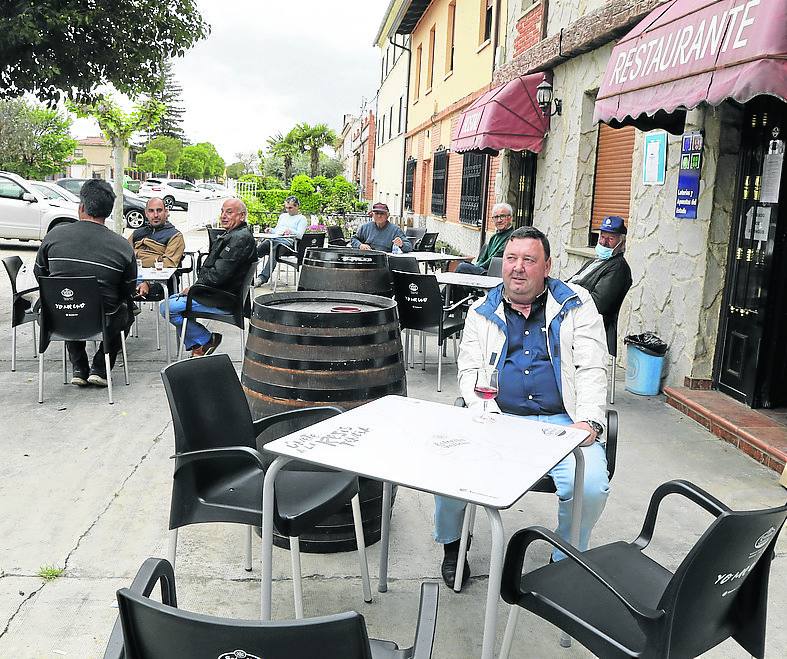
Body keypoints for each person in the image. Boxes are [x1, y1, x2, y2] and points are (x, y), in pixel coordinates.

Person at [435, 226, 609, 589]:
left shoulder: (577, 305)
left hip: (562, 421)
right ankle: (454, 544)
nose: (517, 268)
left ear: (547, 266)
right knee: (447, 469)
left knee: (590, 485)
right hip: (498, 418)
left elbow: (592, 366)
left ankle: (563, 556)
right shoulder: (482, 311)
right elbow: (468, 371)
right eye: (511, 259)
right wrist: (488, 413)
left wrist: (590, 420)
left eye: (528, 260)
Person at [34, 179, 136, 387]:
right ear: (108, 211)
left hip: (56, 317)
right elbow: (128, 289)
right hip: (103, 318)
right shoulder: (123, 246)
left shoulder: (54, 236)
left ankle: (79, 367)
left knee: (67, 302)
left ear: (81, 207)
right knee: (127, 311)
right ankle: (100, 367)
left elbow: (40, 274)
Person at [163, 198, 256, 357]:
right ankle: (199, 347)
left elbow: (218, 275)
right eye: (222, 211)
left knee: (167, 307)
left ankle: (206, 340)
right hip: (217, 294)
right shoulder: (235, 234)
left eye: (229, 212)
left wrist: (194, 289)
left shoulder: (240, 238)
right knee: (172, 300)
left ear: (242, 216)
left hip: (222, 299)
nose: (223, 216)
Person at [567, 215, 632, 334]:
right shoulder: (595, 261)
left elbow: (597, 304)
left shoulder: (618, 267)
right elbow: (571, 281)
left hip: (589, 328)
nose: (603, 242)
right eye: (602, 236)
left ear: (621, 242)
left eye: (610, 239)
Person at [129, 197, 185, 298]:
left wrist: (137, 254)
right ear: (146, 213)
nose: (155, 215)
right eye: (151, 211)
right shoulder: (137, 233)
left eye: (159, 210)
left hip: (162, 280)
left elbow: (168, 264)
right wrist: (157, 258)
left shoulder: (175, 236)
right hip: (134, 277)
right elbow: (125, 256)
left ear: (166, 212)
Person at [255, 195, 308, 285]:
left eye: (290, 208)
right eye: (286, 208)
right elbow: (277, 230)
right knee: (259, 248)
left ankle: (262, 278)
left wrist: (290, 230)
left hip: (288, 244)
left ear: (297, 206)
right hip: (275, 239)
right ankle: (245, 270)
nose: (288, 210)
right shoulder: (283, 216)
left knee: (275, 249)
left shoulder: (301, 218)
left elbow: (300, 235)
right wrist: (271, 230)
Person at [455, 202, 515, 275]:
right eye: (496, 217)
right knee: (463, 265)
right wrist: (475, 266)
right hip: (484, 270)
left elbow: (494, 259)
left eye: (502, 216)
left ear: (510, 218)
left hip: (494, 274)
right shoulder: (494, 237)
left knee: (462, 267)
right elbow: (483, 258)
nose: (499, 220)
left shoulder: (512, 238)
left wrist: (476, 267)